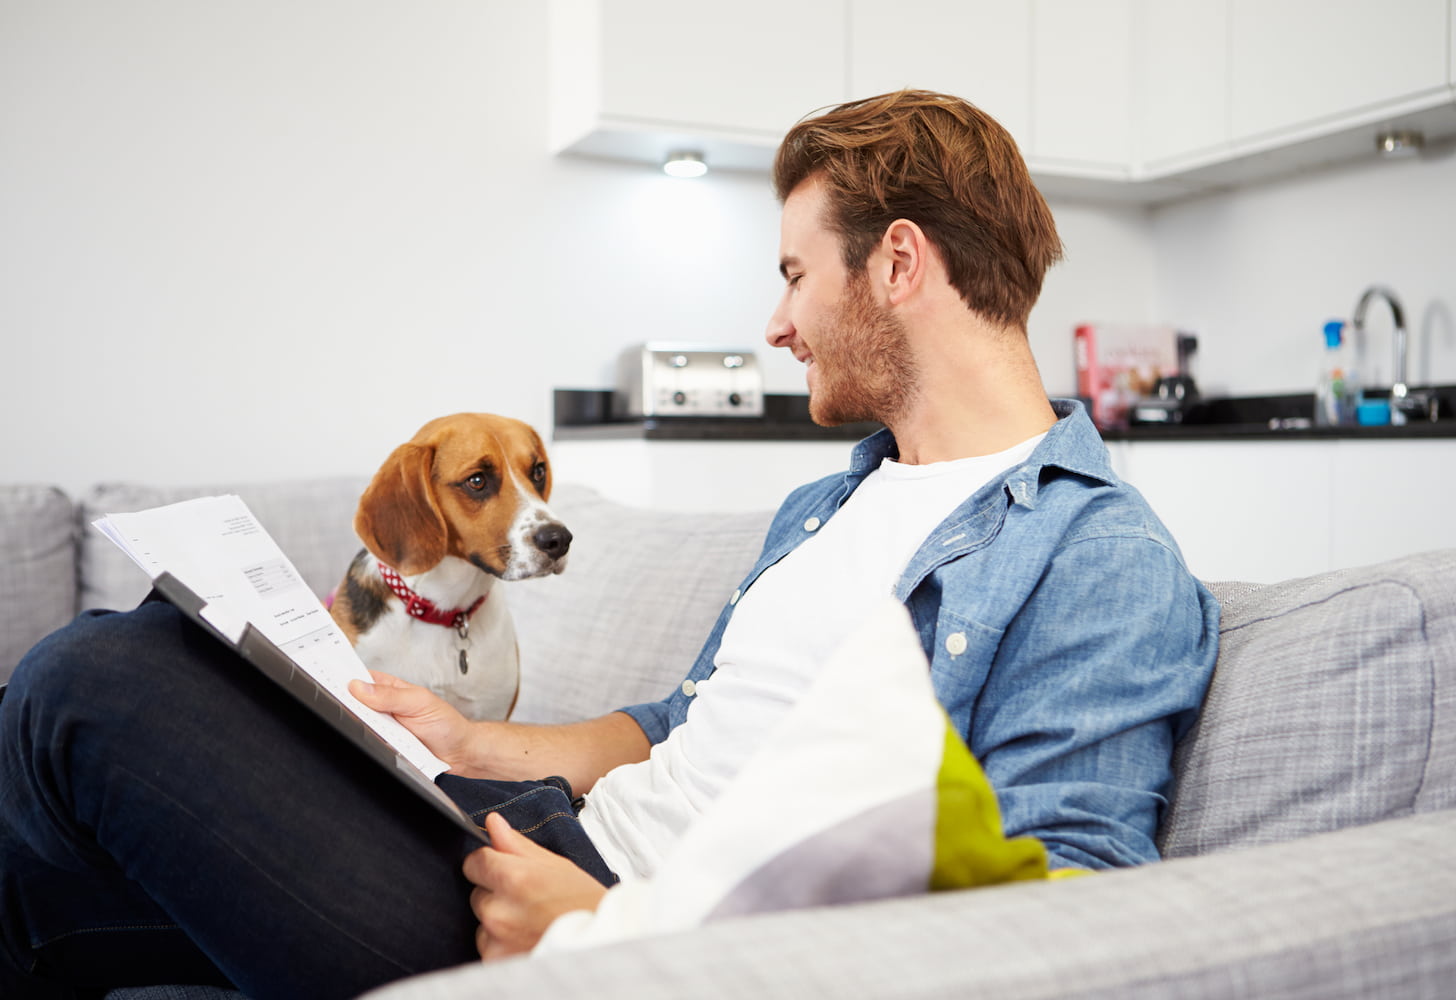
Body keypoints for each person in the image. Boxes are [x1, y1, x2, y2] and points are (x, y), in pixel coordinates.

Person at [0, 90, 1219, 999]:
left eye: (796, 275)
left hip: (591, 915)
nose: (778, 321)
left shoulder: (1098, 556)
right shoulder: (830, 507)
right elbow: (682, 721)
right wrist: (475, 739)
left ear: (899, 262)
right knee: (68, 852)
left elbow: (1073, 919)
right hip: (533, 829)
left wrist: (621, 936)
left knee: (89, 682)